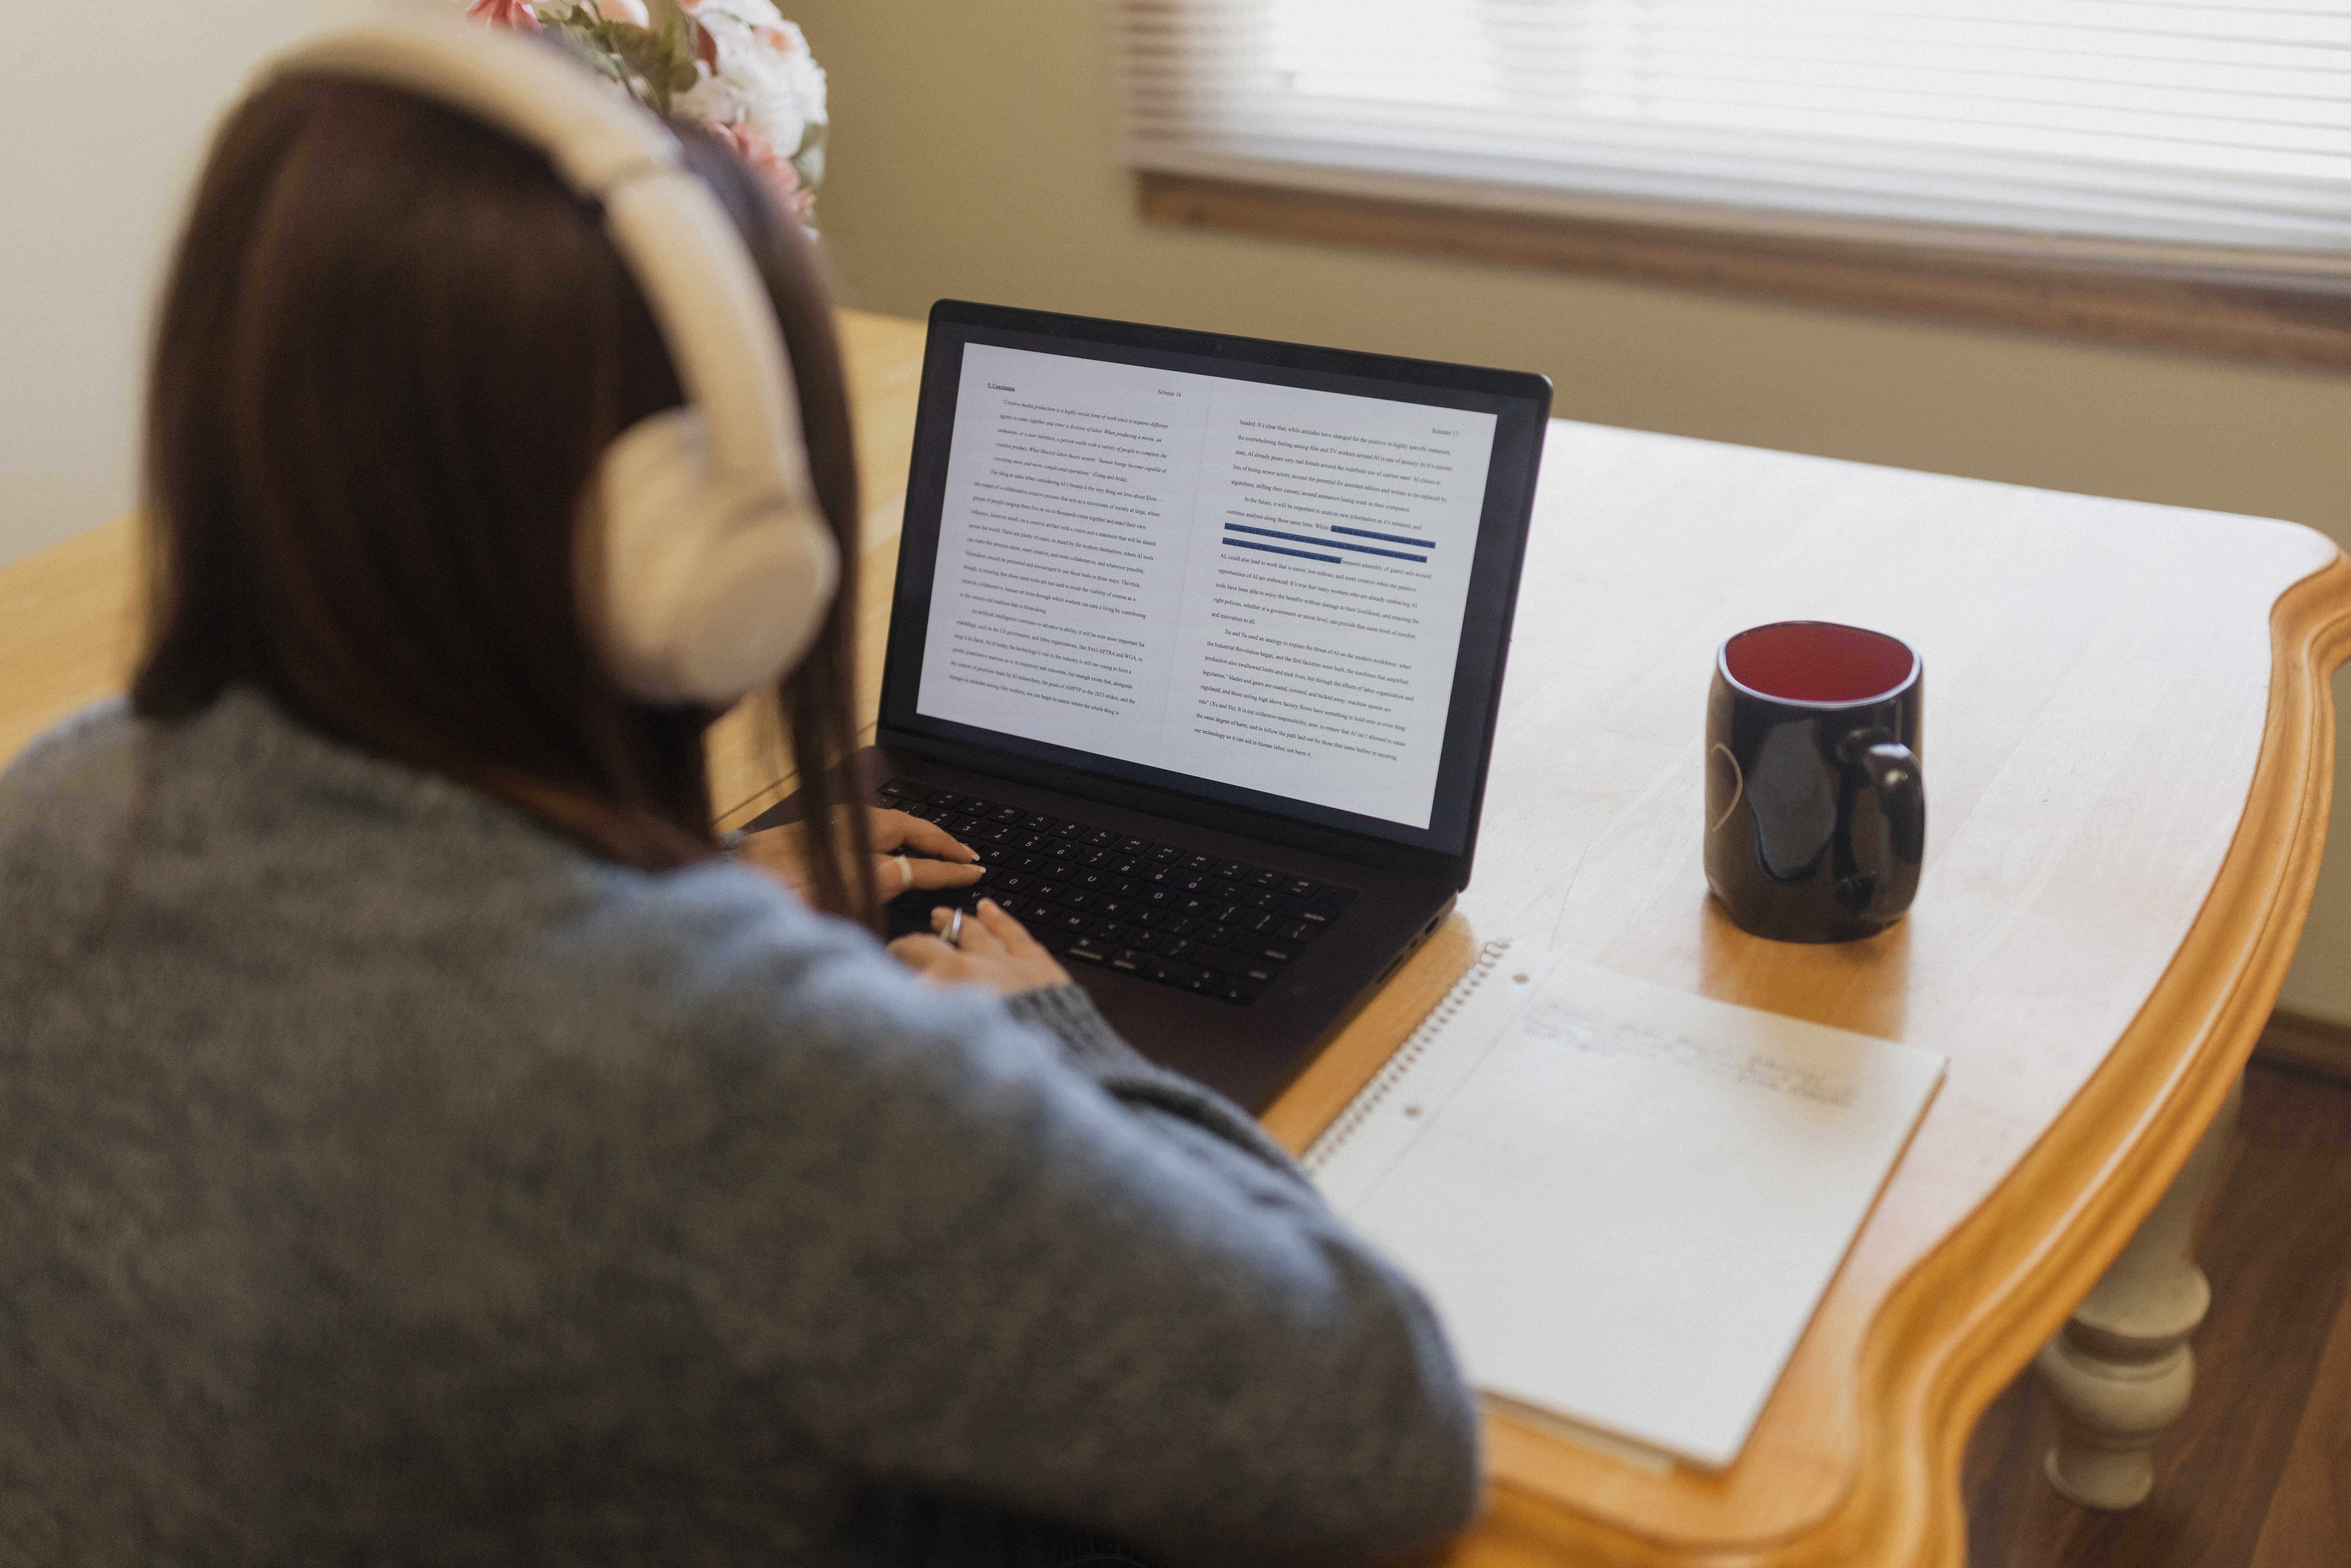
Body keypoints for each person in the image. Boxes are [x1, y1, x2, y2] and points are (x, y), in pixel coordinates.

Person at [0, 22, 1479, 1568]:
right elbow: (1384, 1430)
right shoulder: (731, 1069)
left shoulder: (53, 817)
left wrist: (666, 881)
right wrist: (1047, 1035)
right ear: (701, 564)